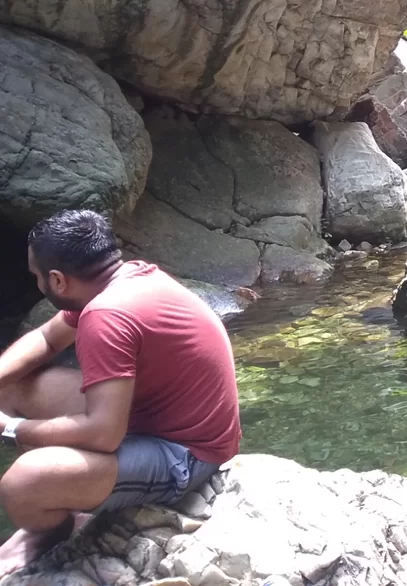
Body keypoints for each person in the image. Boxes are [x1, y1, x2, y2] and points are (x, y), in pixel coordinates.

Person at [0, 210, 241, 575]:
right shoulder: (126, 279)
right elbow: (47, 338)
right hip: (153, 414)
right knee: (14, 384)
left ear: (57, 280)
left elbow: (102, 434)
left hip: (187, 455)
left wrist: (12, 430)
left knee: (23, 484)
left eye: (36, 276)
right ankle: (72, 491)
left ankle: (54, 532)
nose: (36, 284)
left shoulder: (107, 314)